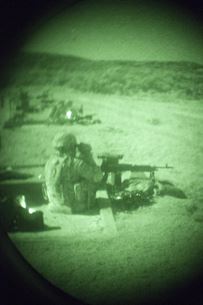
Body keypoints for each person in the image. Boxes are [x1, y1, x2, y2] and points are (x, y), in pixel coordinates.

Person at [44, 132, 103, 214]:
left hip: (54, 204)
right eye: (74, 146)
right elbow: (98, 177)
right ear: (71, 146)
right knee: (90, 182)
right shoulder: (76, 163)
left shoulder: (50, 161)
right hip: (73, 207)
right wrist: (88, 156)